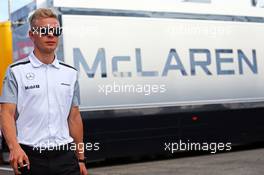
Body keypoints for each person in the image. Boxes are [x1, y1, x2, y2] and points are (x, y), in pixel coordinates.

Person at [0, 8, 88, 175]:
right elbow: (6, 114)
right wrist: (14, 148)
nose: (51, 35)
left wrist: (81, 158)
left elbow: (74, 117)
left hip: (66, 159)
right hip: (30, 158)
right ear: (32, 35)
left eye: (55, 31)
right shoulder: (16, 71)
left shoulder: (70, 73)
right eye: (44, 31)